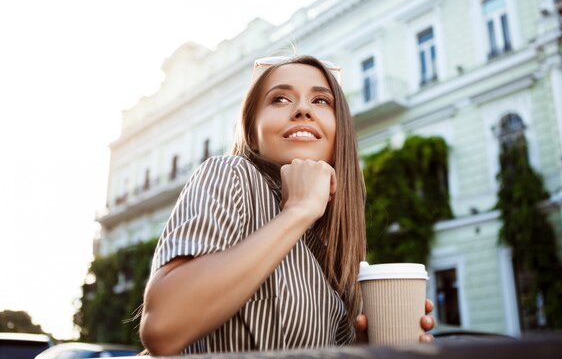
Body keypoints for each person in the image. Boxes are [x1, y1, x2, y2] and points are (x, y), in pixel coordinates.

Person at [139, 55, 435, 355]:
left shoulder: (334, 245)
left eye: (321, 101)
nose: (303, 109)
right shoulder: (231, 175)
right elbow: (162, 327)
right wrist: (297, 211)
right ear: (252, 134)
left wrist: (361, 348)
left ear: (339, 132)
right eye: (280, 99)